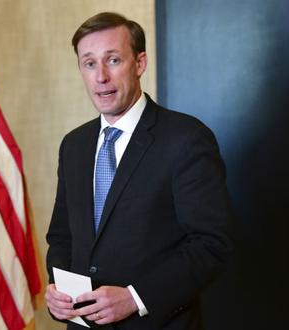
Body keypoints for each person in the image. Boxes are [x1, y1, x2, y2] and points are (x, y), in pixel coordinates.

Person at [45, 12, 233, 329]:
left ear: (140, 63)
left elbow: (211, 244)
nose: (100, 76)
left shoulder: (187, 139)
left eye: (113, 60)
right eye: (89, 63)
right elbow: (62, 238)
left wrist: (136, 297)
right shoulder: (74, 145)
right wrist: (59, 291)